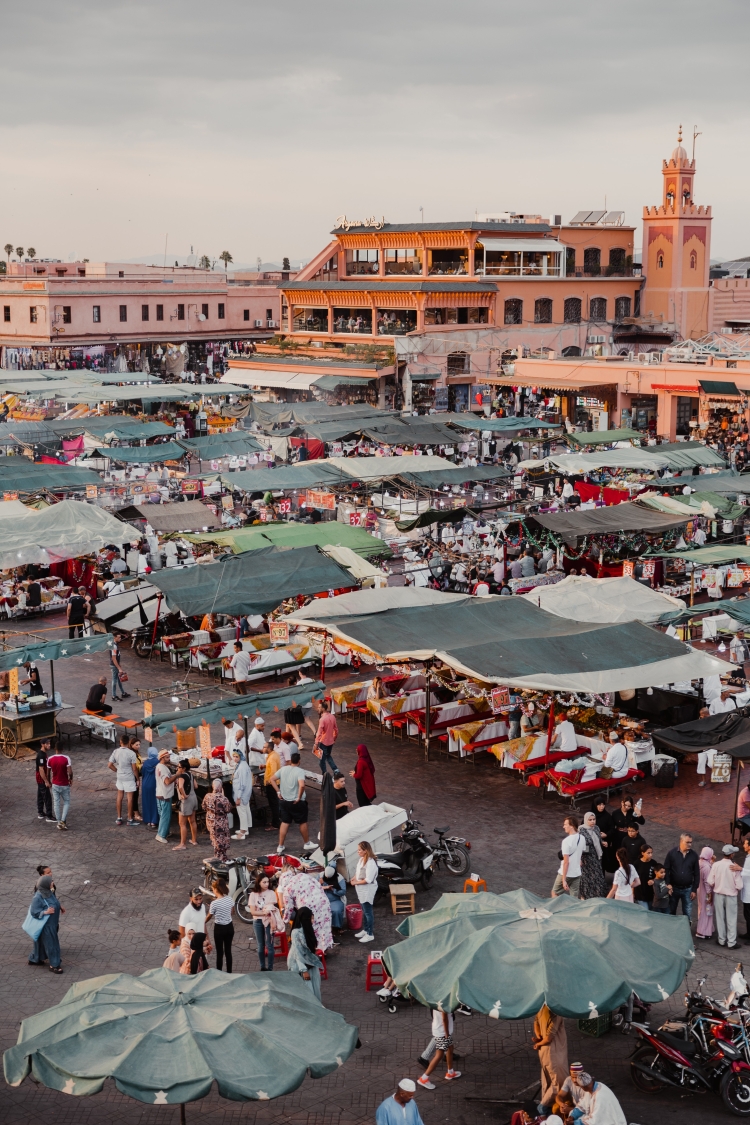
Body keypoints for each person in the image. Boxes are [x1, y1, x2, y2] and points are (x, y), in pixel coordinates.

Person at [273, 751, 315, 854]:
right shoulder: (299, 771)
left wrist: (278, 791)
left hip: (284, 801)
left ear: (291, 760)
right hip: (296, 802)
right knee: (302, 821)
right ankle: (307, 843)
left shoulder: (283, 769)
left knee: (285, 822)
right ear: (299, 761)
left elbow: (272, 779)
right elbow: (302, 785)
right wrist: (299, 797)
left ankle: (280, 845)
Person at [533, 1003, 568, 1113]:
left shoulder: (541, 1007)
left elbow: (536, 1022)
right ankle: (543, 1107)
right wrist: (539, 1043)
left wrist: (538, 1039)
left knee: (547, 1079)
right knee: (559, 1083)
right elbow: (549, 1038)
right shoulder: (556, 1012)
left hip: (543, 1051)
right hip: (554, 1052)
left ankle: (544, 1105)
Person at [708, 844, 743, 948]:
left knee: (720, 917)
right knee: (731, 919)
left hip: (718, 894)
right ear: (731, 854)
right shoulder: (734, 867)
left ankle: (721, 940)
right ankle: (731, 942)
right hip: (731, 895)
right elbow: (740, 885)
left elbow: (710, 881)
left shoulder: (716, 865)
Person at [27, 875, 64, 973]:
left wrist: (60, 907)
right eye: (51, 881)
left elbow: (53, 902)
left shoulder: (48, 892)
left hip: (51, 924)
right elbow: (34, 912)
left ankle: (35, 959)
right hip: (46, 926)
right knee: (52, 945)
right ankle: (54, 965)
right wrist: (45, 912)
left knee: (41, 944)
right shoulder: (38, 897)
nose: (52, 882)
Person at [417, 1009, 461, 1088]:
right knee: (439, 1055)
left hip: (440, 1030)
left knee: (450, 1049)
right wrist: (447, 1034)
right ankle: (424, 1079)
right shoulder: (443, 1003)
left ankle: (450, 1072)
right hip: (443, 1032)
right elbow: (444, 1018)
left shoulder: (437, 1000)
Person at [248, 873, 282, 971]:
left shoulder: (271, 893)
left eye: (268, 882)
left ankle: (270, 967)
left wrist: (262, 912)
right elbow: (252, 911)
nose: (267, 884)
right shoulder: (253, 895)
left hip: (269, 921)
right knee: (260, 945)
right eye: (264, 882)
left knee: (270, 945)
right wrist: (264, 913)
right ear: (259, 883)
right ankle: (262, 966)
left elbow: (270, 909)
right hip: (257, 921)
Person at [288, 905, 323, 1000]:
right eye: (310, 918)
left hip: (310, 961)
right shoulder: (296, 933)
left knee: (314, 985)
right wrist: (304, 970)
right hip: (300, 965)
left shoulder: (307, 929)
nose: (312, 921)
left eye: (312, 918)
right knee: (307, 990)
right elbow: (297, 953)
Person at [665, 832, 700, 920]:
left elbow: (696, 873)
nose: (690, 844)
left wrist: (694, 889)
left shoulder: (694, 855)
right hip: (674, 888)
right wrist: (668, 884)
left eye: (691, 842)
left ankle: (686, 932)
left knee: (687, 914)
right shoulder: (671, 853)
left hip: (688, 889)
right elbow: (666, 869)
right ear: (681, 841)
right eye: (687, 842)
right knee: (671, 912)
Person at [109, 733, 139, 826]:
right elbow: (134, 768)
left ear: (120, 742)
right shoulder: (131, 753)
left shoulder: (115, 751)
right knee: (129, 798)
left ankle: (119, 818)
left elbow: (109, 765)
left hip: (120, 777)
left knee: (119, 796)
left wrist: (117, 771)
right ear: (128, 742)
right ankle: (130, 819)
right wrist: (137, 778)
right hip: (129, 777)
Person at [351, 840, 378, 943]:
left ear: (365, 851)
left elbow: (368, 880)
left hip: (367, 890)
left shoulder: (371, 863)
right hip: (361, 890)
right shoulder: (362, 859)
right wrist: (354, 878)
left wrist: (355, 883)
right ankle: (366, 930)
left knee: (368, 912)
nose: (358, 852)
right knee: (364, 910)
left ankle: (370, 934)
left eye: (359, 850)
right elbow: (358, 872)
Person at [552, 816, 585, 899]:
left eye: (565, 824)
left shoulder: (566, 841)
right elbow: (580, 854)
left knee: (555, 893)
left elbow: (566, 862)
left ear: (572, 826)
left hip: (566, 873)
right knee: (573, 898)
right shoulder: (582, 838)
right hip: (577, 873)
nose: (564, 827)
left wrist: (564, 880)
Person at [206, 877, 235, 972]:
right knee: (228, 951)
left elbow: (210, 916)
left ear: (216, 889)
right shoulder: (230, 899)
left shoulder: (214, 903)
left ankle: (219, 972)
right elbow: (232, 912)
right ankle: (229, 972)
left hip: (219, 928)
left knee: (219, 952)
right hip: (229, 927)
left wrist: (202, 922)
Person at [202, 778, 233, 860]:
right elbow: (228, 809)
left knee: (214, 839)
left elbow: (203, 807)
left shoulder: (207, 796)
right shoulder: (223, 799)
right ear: (221, 787)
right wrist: (223, 795)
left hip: (210, 822)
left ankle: (217, 855)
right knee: (221, 839)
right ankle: (221, 856)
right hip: (220, 823)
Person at [578, 811, 607, 899]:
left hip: (596, 857)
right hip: (586, 858)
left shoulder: (596, 828)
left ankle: (598, 896)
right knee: (587, 879)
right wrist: (579, 858)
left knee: (597, 877)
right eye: (590, 820)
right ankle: (586, 896)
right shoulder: (581, 830)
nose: (592, 821)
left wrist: (602, 842)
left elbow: (597, 839)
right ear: (586, 820)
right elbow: (579, 845)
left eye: (594, 819)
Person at [173, 758, 198, 850]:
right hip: (194, 798)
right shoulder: (191, 775)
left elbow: (180, 787)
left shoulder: (181, 776)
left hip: (186, 801)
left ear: (183, 768)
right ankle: (194, 840)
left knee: (182, 823)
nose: (177, 769)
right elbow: (196, 786)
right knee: (192, 821)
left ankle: (182, 844)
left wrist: (184, 795)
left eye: (179, 767)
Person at [46, 743, 73, 831]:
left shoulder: (50, 759)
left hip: (55, 784)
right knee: (66, 802)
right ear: (62, 748)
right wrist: (70, 779)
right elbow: (70, 772)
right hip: (64, 784)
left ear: (55, 749)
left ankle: (58, 822)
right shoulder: (66, 758)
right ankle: (62, 821)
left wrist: (49, 781)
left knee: (56, 803)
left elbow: (48, 772)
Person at [231, 748, 253, 841]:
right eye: (234, 757)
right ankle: (246, 828)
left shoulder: (242, 767)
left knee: (242, 811)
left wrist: (238, 797)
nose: (235, 758)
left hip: (242, 793)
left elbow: (242, 784)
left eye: (237, 757)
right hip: (245, 793)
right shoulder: (242, 764)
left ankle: (242, 832)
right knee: (246, 809)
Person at [313, 699, 339, 776]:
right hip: (331, 741)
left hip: (323, 742)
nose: (318, 708)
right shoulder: (332, 716)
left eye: (319, 707)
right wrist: (334, 738)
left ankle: (325, 774)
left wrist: (316, 743)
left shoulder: (322, 719)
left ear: (323, 709)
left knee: (321, 760)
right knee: (328, 756)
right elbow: (336, 729)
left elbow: (319, 733)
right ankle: (335, 770)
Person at [155, 748, 175, 843]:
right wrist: (177, 775)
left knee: (163, 814)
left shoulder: (159, 766)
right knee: (165, 816)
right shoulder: (162, 768)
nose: (169, 758)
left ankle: (165, 832)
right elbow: (167, 781)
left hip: (160, 793)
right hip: (165, 794)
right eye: (167, 757)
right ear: (162, 758)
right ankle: (161, 835)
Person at [591, 797, 617, 873]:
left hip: (604, 844)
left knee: (602, 862)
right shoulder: (590, 816)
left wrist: (606, 834)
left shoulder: (607, 816)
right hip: (592, 844)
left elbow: (612, 829)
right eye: (599, 805)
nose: (602, 807)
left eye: (603, 804)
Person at [695, 846, 716, 938]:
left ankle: (707, 929)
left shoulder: (699, 863)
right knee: (707, 910)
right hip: (706, 892)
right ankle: (702, 931)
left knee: (702, 909)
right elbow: (707, 882)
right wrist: (709, 895)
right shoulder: (706, 867)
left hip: (699, 890)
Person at [263, 736, 281, 833]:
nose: (263, 748)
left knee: (273, 804)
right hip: (273, 784)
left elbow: (273, 772)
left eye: (265, 747)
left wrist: (269, 782)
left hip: (272, 785)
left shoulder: (273, 757)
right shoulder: (273, 755)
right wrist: (265, 766)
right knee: (274, 803)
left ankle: (276, 823)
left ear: (269, 748)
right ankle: (275, 821)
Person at [322, 864, 347, 937]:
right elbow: (314, 887)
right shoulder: (320, 876)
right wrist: (321, 884)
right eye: (326, 877)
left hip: (335, 900)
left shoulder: (339, 878)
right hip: (322, 899)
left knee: (336, 910)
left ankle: (337, 927)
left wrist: (333, 889)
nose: (327, 878)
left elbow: (343, 891)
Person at [35, 735, 55, 823]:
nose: (49, 745)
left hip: (40, 779)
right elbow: (41, 769)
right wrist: (46, 781)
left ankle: (40, 812)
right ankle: (49, 816)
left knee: (40, 795)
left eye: (49, 743)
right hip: (41, 778)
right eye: (47, 744)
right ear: (43, 745)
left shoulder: (44, 754)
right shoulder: (41, 755)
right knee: (47, 797)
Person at [139, 746, 159, 828]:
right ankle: (154, 821)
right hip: (154, 784)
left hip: (145, 784)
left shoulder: (145, 763)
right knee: (155, 802)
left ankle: (148, 820)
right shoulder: (158, 762)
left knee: (146, 802)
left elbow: (142, 773)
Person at [284, 678, 306, 747]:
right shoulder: (297, 690)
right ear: (294, 682)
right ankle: (286, 741)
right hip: (295, 709)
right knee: (288, 725)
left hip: (288, 709)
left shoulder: (286, 690)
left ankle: (300, 743)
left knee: (292, 727)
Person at [634, 843, 656, 911]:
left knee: (651, 912)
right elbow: (633, 879)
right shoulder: (637, 863)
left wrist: (653, 880)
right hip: (640, 893)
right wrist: (632, 893)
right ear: (642, 853)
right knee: (645, 912)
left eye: (651, 853)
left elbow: (657, 876)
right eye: (648, 853)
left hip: (651, 893)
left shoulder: (654, 863)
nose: (650, 855)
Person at [109, 633, 129, 701]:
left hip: (115, 665)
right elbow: (114, 658)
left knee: (119, 679)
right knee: (114, 680)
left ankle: (123, 693)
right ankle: (114, 696)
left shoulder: (114, 645)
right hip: (114, 666)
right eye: (118, 637)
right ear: (114, 637)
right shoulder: (114, 646)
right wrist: (119, 668)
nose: (120, 639)